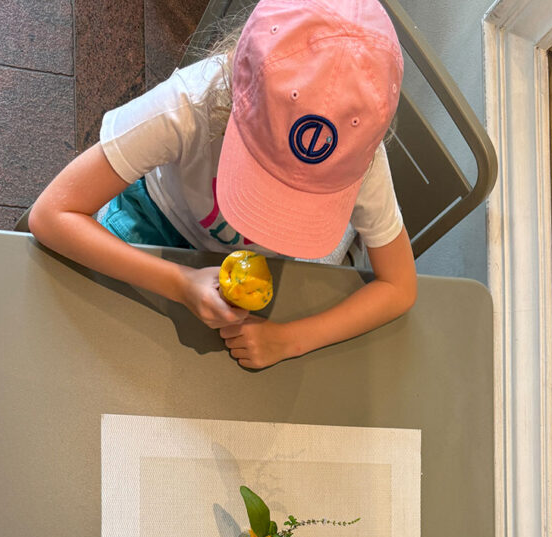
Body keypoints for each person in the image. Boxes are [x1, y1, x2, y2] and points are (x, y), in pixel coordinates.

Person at [28, 0, 417, 370]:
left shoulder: (358, 155)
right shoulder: (191, 104)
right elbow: (52, 214)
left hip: (256, 273)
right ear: (235, 88)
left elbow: (399, 286)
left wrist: (289, 340)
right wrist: (179, 282)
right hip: (156, 224)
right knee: (96, 340)